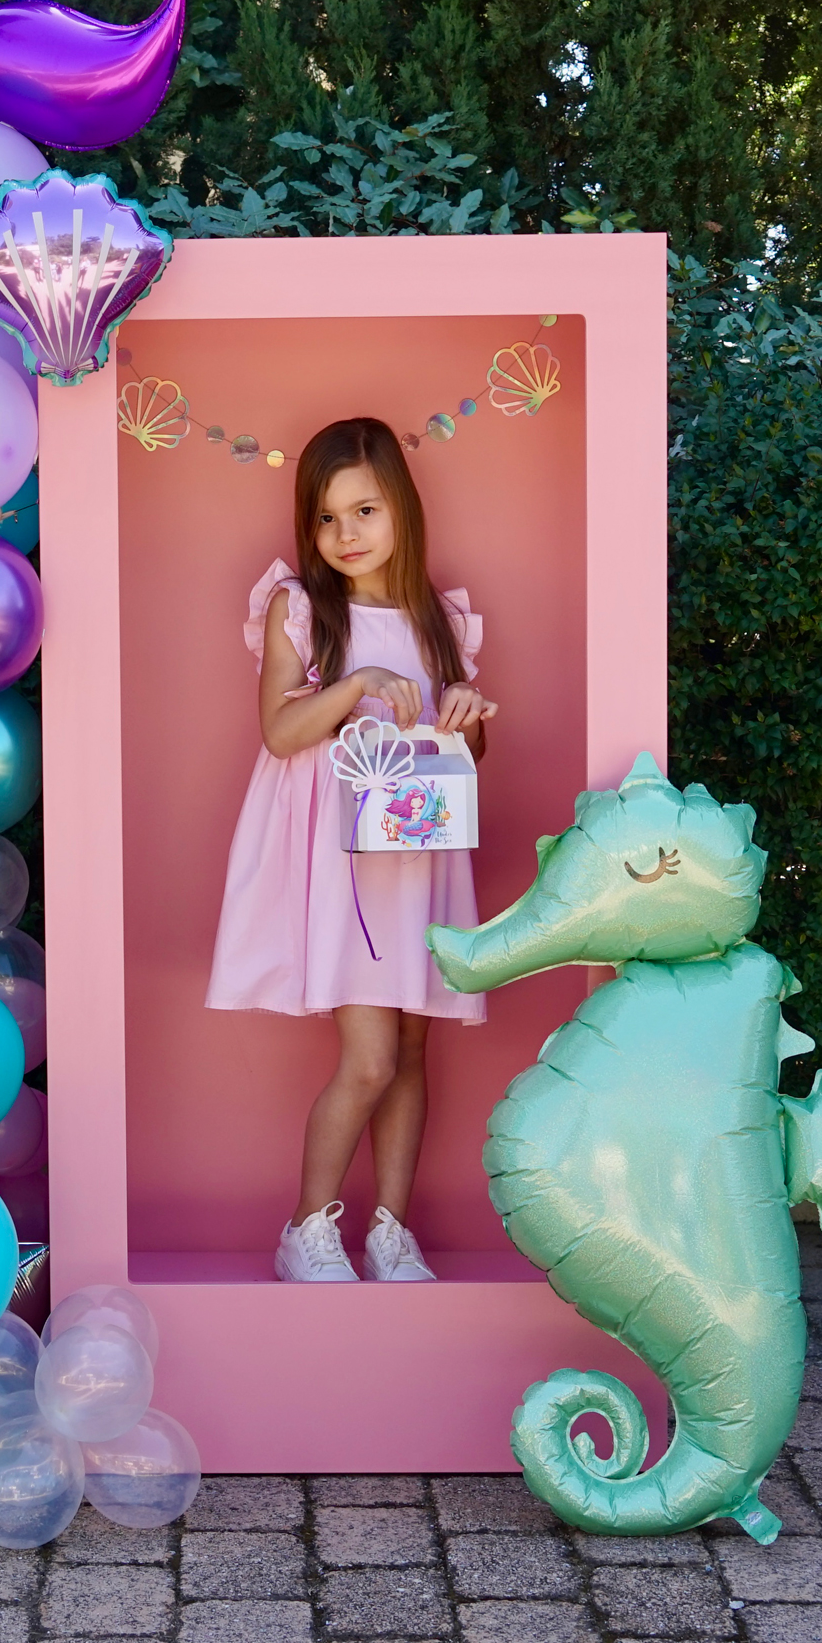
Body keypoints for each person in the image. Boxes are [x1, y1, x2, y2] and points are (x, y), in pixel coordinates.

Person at [206, 417, 494, 1282]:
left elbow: (463, 756)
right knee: (369, 1059)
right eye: (327, 518)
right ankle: (306, 1229)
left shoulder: (438, 621)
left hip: (420, 854)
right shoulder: (302, 607)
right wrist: (358, 683)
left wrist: (465, 720)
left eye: (365, 510)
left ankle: (391, 1233)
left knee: (411, 1051)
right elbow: (280, 730)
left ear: (402, 505)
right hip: (344, 870)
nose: (346, 534)